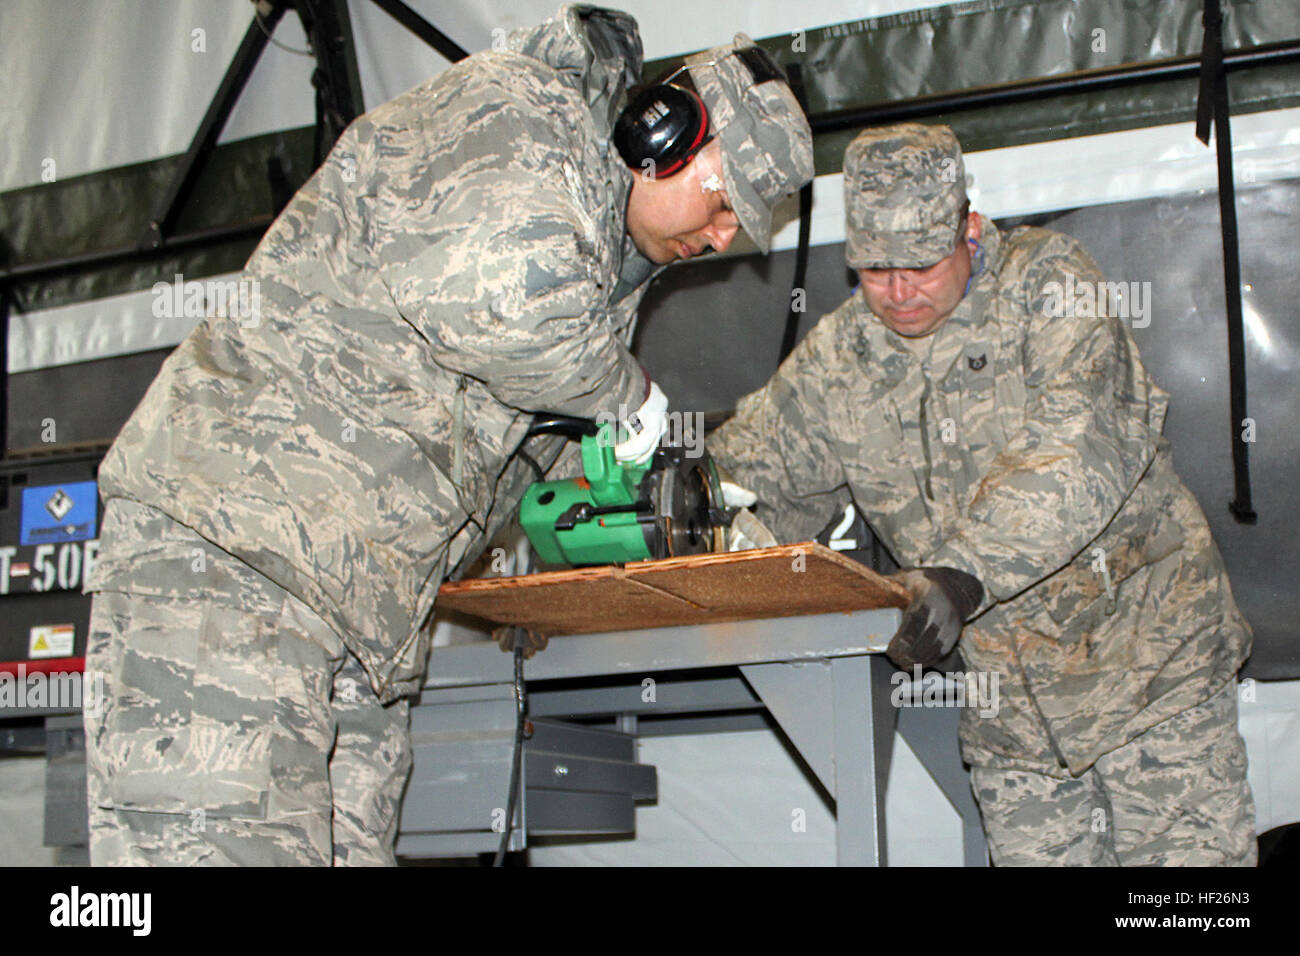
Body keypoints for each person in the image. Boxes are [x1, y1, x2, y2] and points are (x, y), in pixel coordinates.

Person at [83, 4, 813, 865]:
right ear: (666, 136)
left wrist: (701, 513)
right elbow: (506, 308)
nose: (726, 237)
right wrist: (636, 403)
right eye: (727, 202)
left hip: (362, 612)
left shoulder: (603, 276)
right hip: (238, 554)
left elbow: (531, 437)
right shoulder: (516, 117)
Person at [710, 122, 1256, 866]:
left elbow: (1079, 443)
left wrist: (960, 575)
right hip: (1012, 725)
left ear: (969, 228)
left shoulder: (1047, 286)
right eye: (873, 269)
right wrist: (681, 497)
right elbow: (752, 471)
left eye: (921, 264)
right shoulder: (842, 359)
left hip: (1149, 674)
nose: (898, 291)